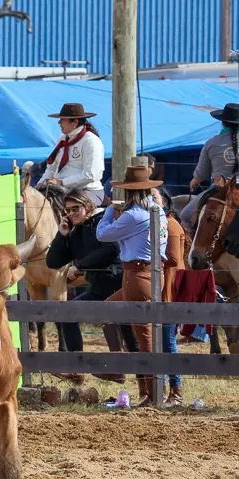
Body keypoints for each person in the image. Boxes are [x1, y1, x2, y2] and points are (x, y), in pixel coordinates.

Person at [44, 190, 136, 383]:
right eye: (67, 210)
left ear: (87, 206)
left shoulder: (102, 221)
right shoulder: (75, 232)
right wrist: (62, 236)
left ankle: (147, 382)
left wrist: (80, 266)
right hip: (97, 290)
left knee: (131, 337)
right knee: (67, 313)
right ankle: (77, 368)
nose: (71, 213)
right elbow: (53, 262)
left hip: (119, 285)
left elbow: (112, 249)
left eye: (75, 208)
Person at [96, 165, 168, 407]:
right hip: (152, 272)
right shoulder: (157, 210)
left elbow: (103, 234)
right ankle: (146, 387)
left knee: (144, 336)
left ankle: (147, 390)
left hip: (136, 275)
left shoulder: (133, 215)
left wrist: (108, 212)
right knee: (114, 313)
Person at [182, 103, 239, 228]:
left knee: (185, 216)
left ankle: (197, 246)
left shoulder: (211, 143)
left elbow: (202, 174)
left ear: (222, 122)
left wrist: (194, 182)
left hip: (218, 190)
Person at [37, 103, 105, 208]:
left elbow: (91, 174)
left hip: (86, 190)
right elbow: (51, 168)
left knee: (72, 209)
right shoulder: (62, 139)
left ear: (75, 122)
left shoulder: (91, 141)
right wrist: (38, 187)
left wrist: (61, 182)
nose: (59, 122)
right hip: (61, 190)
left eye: (63, 119)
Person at [154, 186, 186, 406]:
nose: (150, 200)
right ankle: (162, 389)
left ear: (164, 202)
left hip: (169, 292)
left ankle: (175, 390)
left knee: (167, 342)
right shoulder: (160, 224)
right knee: (161, 343)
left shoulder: (171, 225)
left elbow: (173, 259)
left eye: (154, 197)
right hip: (162, 289)